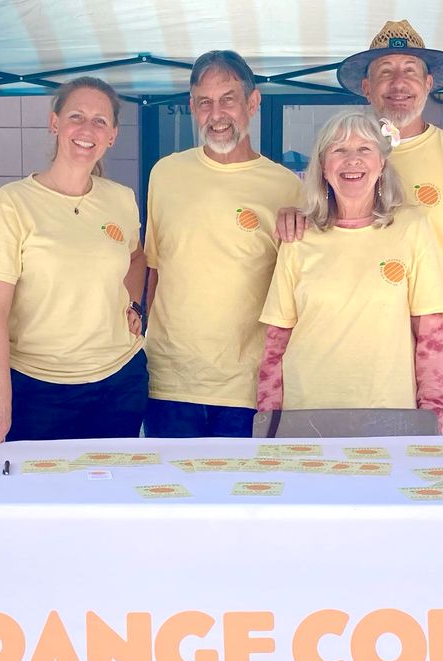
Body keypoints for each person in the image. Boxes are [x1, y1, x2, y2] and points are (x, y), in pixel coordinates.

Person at [279, 21, 443, 425]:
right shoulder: (342, 155)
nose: (398, 83)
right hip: (340, 371)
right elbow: (314, 226)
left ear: (429, 83)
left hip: (427, 368)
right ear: (367, 87)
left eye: (410, 71)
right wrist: (290, 213)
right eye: (385, 72)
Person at [0, 77, 147, 443]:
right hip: (37, 389)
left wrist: (133, 304)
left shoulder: (121, 199)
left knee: (107, 494)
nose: (88, 129)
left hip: (118, 381)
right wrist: (0, 399)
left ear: (113, 135)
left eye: (100, 121)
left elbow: (135, 257)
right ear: (55, 123)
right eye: (76, 116)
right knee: (34, 497)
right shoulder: (12, 204)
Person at [258, 111, 443, 431]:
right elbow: (276, 343)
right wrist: (269, 422)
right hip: (306, 414)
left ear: (382, 164)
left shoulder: (411, 227)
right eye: (339, 150)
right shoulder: (298, 236)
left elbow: (430, 334)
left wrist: (433, 418)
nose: (352, 160)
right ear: (322, 167)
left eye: (364, 149)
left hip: (389, 413)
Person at [144, 50, 302, 437]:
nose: (216, 114)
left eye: (228, 99)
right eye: (204, 102)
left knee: (243, 495)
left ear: (252, 102)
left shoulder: (287, 187)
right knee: (170, 493)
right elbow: (153, 269)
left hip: (247, 387)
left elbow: (296, 289)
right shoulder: (164, 174)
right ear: (192, 107)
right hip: (168, 381)